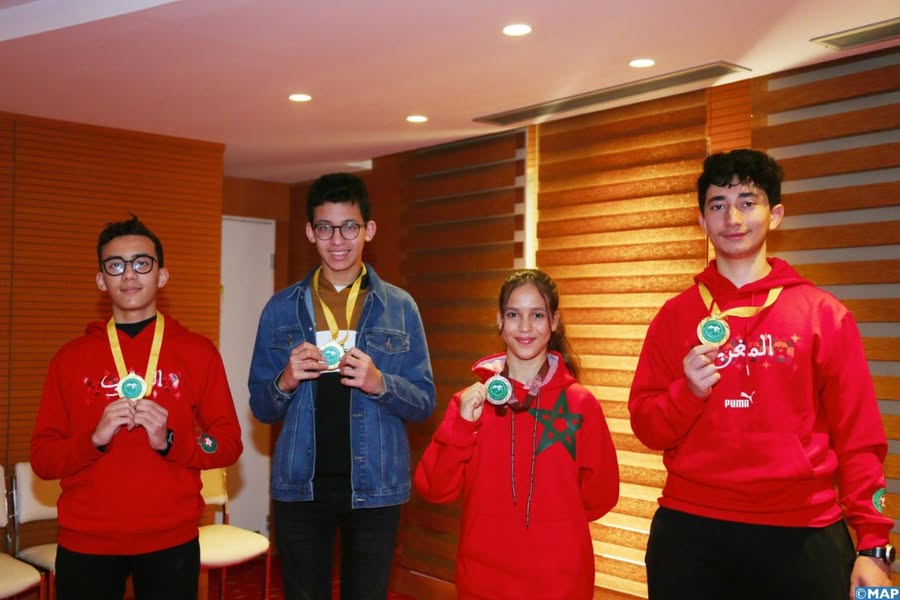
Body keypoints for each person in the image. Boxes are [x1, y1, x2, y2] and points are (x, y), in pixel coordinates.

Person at [628, 149, 894, 599]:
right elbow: (647, 427)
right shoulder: (674, 316)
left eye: (748, 202)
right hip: (691, 531)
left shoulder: (824, 315)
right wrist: (686, 393)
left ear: (776, 215)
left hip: (803, 531)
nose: (732, 217)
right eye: (718, 205)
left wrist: (874, 547)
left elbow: (859, 439)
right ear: (702, 221)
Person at [30, 215, 243, 600]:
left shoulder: (198, 353)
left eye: (142, 263)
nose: (129, 274)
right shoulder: (69, 359)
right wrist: (93, 440)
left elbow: (225, 444)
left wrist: (171, 441)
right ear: (101, 280)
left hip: (171, 540)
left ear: (162, 275)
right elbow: (43, 459)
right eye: (116, 265)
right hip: (86, 541)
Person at [248, 172, 435, 600]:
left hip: (376, 487)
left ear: (369, 229)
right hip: (300, 487)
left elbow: (424, 401)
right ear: (310, 232)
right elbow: (261, 406)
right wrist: (285, 380)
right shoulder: (280, 309)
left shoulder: (400, 307)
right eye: (326, 228)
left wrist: (381, 383)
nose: (338, 240)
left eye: (349, 226)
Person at [415, 269, 620, 600]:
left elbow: (602, 494)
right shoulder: (470, 403)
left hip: (559, 581)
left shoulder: (580, 404)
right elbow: (434, 488)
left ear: (554, 321)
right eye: (513, 314)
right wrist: (463, 425)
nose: (525, 327)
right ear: (499, 321)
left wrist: (552, 526)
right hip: (483, 580)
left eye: (537, 315)